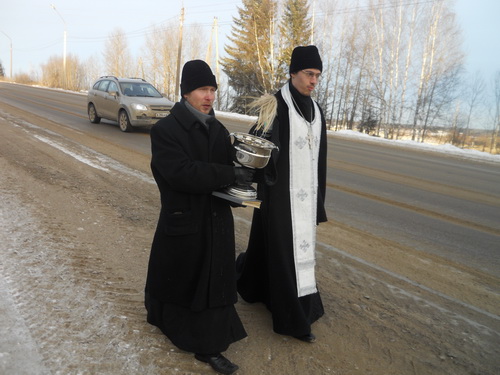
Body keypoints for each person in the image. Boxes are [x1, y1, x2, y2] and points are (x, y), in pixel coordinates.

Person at [145, 60, 253, 375]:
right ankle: (205, 348)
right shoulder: (165, 130)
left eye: (212, 90)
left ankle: (210, 339)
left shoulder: (218, 131)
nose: (209, 96)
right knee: (183, 281)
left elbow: (227, 176)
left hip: (216, 222)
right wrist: (228, 173)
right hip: (184, 220)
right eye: (202, 90)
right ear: (186, 92)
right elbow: (181, 174)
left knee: (213, 282)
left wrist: (244, 183)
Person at [236, 45, 328, 343]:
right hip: (279, 197)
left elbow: (320, 161)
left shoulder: (316, 111)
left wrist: (318, 204)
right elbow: (256, 145)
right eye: (308, 74)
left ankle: (255, 286)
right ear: (293, 73)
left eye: (318, 75)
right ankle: (292, 319)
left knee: (271, 248)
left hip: (304, 196)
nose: (314, 81)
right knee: (285, 253)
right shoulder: (275, 105)